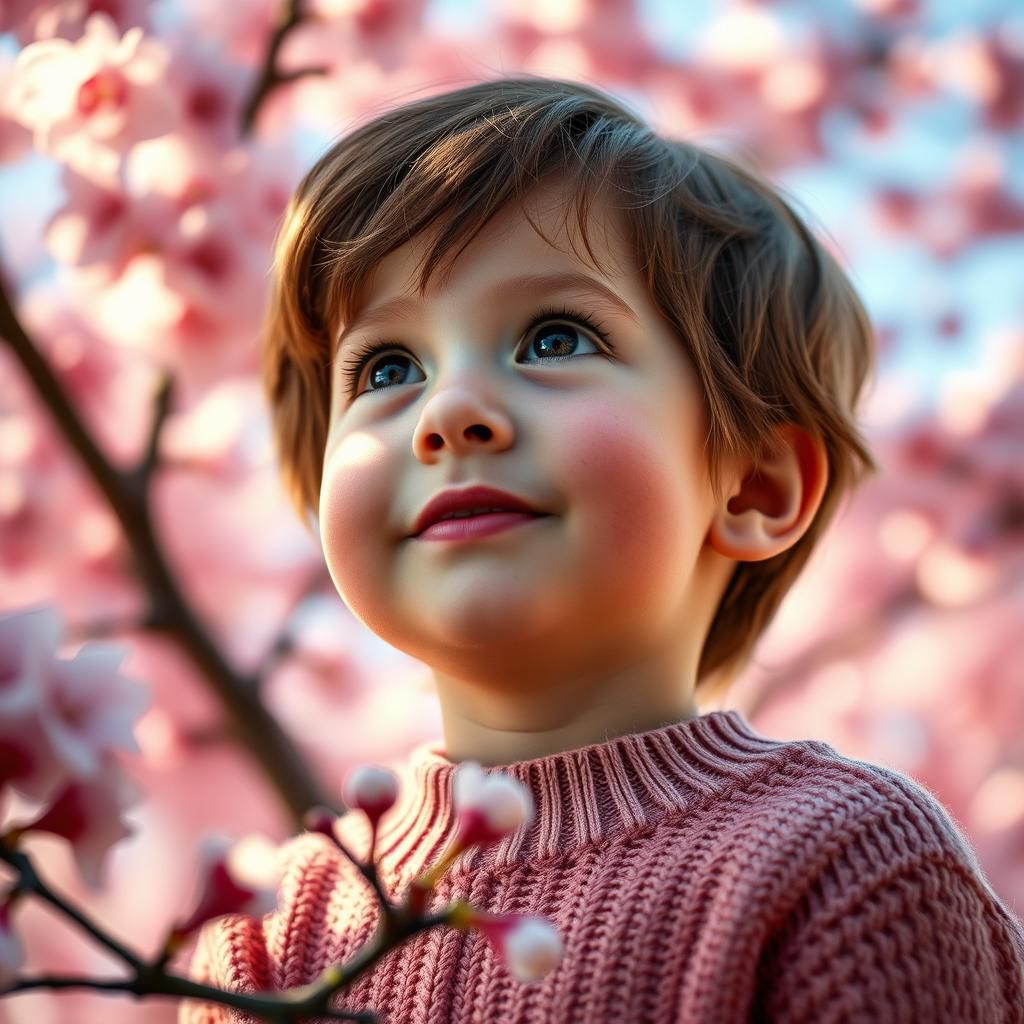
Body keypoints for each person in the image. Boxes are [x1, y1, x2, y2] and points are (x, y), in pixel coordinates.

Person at [179, 76, 1024, 1023]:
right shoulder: (266, 933)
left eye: (552, 338)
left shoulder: (847, 866)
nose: (450, 412)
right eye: (387, 368)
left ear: (753, 486)